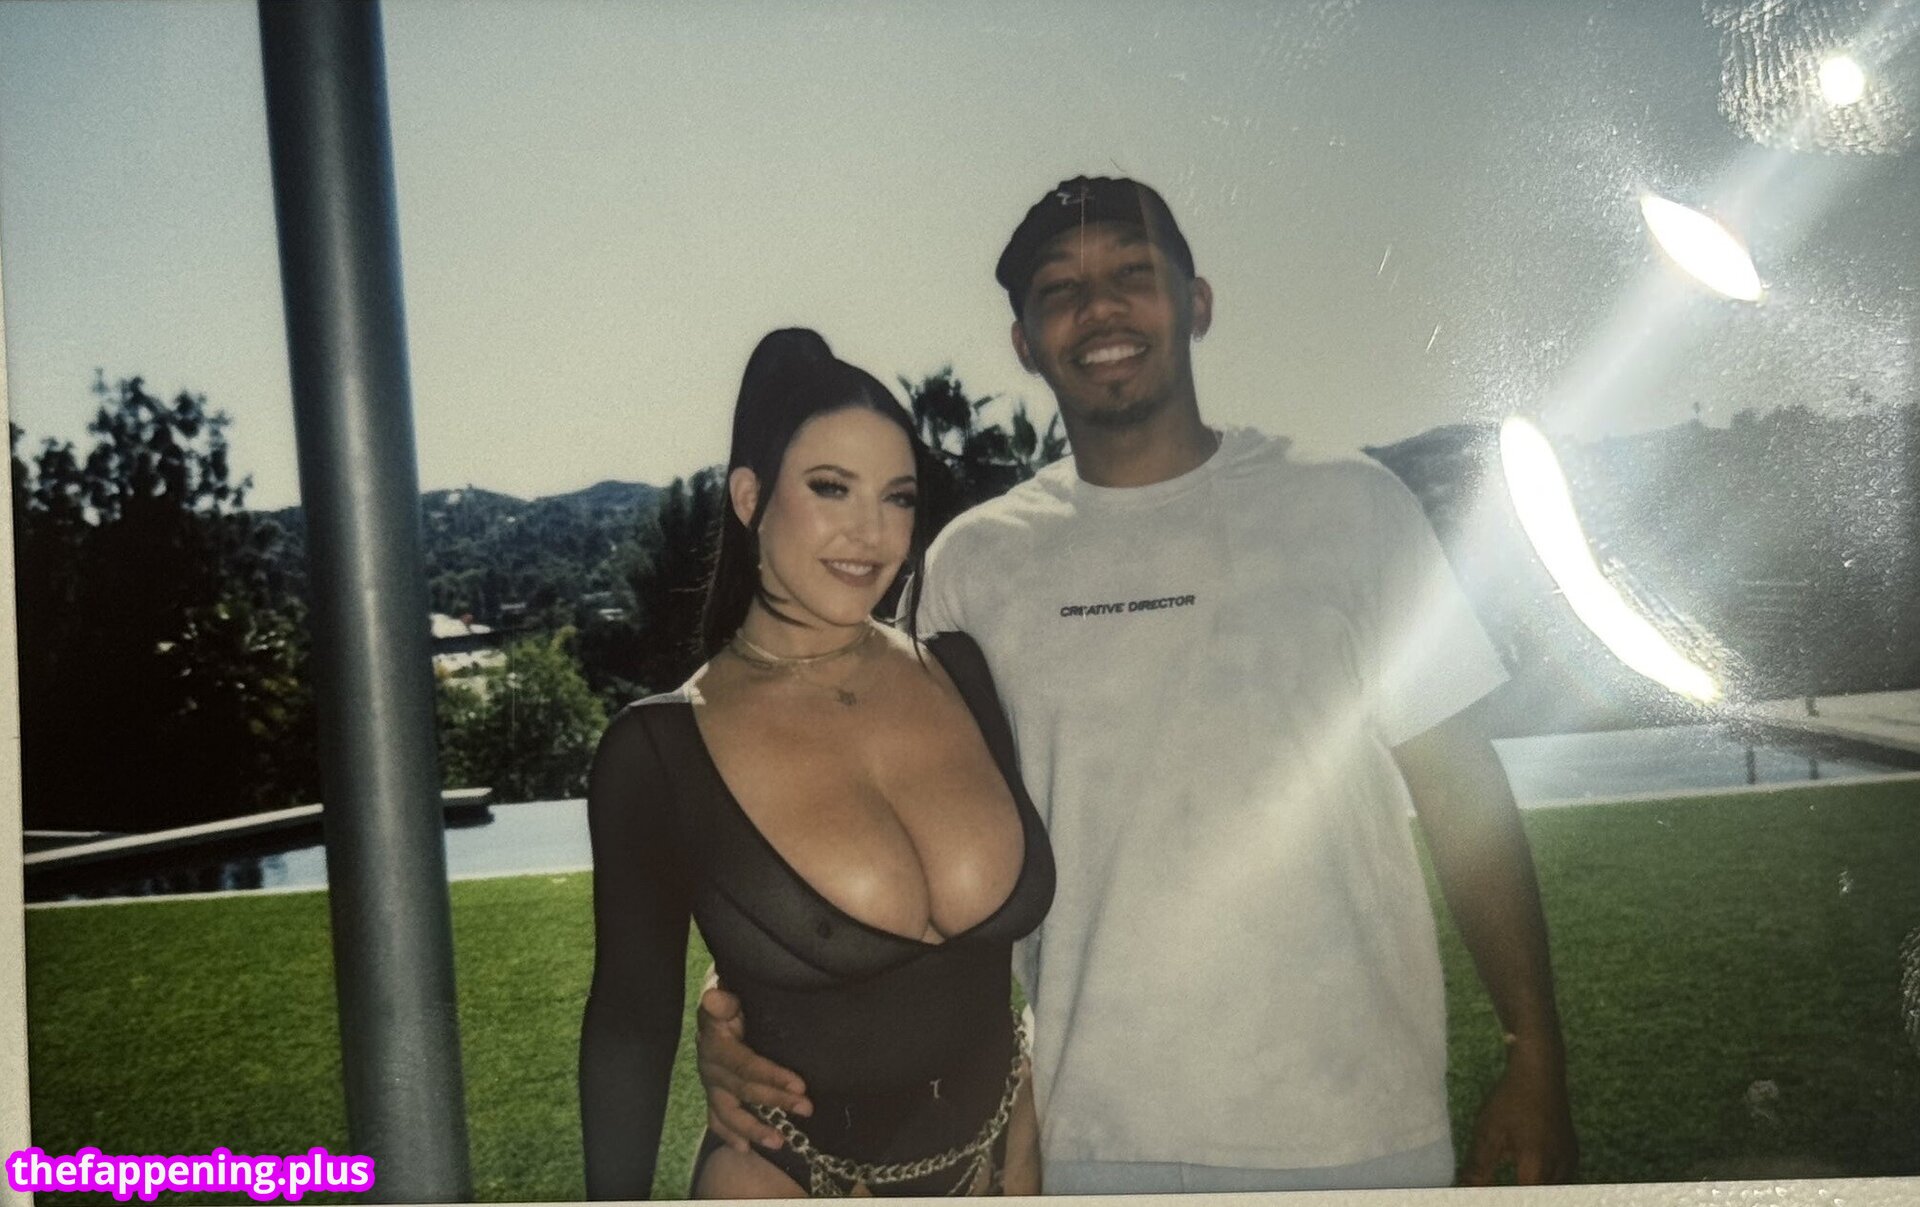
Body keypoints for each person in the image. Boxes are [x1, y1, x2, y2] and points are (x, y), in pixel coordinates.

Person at [695, 178, 1579, 1192]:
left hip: (1353, 1131)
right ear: (1024, 342)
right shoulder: (974, 566)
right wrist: (738, 996)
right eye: (1060, 290)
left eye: (1132, 273)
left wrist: (1535, 1053)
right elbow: (870, 804)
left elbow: (1463, 789)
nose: (1100, 307)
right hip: (1087, 1143)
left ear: (1196, 303)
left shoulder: (1353, 508)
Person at [579, 328, 1055, 1198]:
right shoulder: (660, 751)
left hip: (1006, 1163)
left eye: (898, 497)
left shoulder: (961, 671)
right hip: (792, 1182)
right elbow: (629, 1028)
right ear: (750, 497)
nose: (870, 533)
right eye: (831, 487)